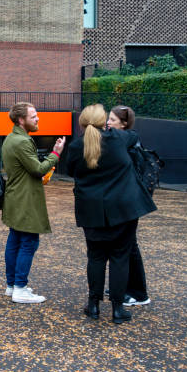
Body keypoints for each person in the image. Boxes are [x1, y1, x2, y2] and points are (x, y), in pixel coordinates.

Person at [66, 104, 156, 323]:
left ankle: (93, 306)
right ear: (103, 122)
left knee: (95, 257)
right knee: (119, 258)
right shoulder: (117, 139)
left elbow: (70, 171)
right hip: (123, 210)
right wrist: (115, 128)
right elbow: (133, 135)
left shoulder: (78, 146)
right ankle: (117, 309)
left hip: (91, 210)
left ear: (81, 123)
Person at [2, 102, 66, 304]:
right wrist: (56, 153)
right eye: (33, 116)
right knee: (29, 242)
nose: (38, 119)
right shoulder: (22, 142)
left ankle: (12, 285)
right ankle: (20, 288)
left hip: (15, 198)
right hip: (25, 200)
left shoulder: (11, 139)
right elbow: (38, 170)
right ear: (21, 120)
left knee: (15, 241)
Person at [106, 105, 151, 306]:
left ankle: (139, 293)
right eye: (108, 118)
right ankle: (123, 287)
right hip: (125, 200)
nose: (108, 123)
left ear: (123, 124)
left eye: (112, 120)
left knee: (130, 246)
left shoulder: (128, 141)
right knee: (126, 245)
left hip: (129, 201)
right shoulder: (123, 140)